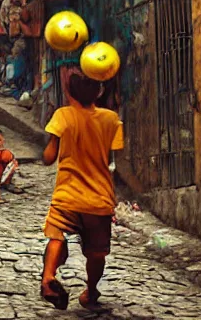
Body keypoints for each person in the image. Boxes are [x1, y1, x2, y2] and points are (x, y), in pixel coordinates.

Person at [40, 72, 124, 310]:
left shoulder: (62, 116)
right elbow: (114, 156)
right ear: (98, 92)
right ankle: (91, 291)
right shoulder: (111, 119)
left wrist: (47, 150)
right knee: (96, 253)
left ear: (68, 93)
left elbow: (49, 156)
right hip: (99, 198)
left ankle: (48, 278)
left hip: (67, 195)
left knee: (56, 235)